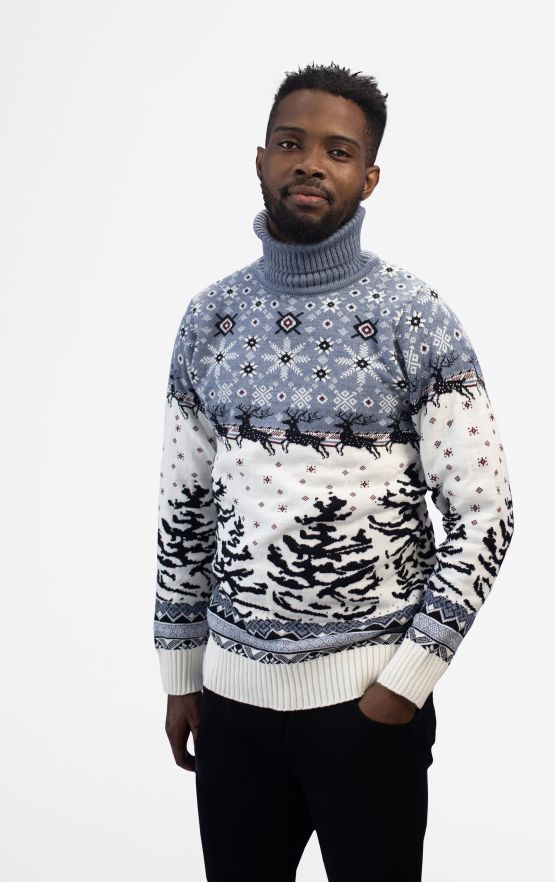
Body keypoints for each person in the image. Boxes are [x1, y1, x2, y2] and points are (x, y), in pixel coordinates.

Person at [153, 61, 514, 882]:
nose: (311, 163)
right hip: (231, 708)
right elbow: (184, 503)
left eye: (338, 151)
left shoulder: (415, 318)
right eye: (291, 144)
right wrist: (181, 671)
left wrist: (407, 680)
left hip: (368, 708)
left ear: (369, 176)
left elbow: (485, 512)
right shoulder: (209, 318)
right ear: (261, 160)